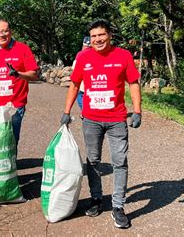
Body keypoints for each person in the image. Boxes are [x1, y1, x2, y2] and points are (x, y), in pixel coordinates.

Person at [61, 19, 142, 228]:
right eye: (94, 36)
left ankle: (118, 206)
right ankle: (96, 199)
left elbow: (133, 83)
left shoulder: (123, 56)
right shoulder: (83, 57)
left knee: (119, 162)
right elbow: (75, 84)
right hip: (91, 120)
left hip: (116, 120)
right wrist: (66, 111)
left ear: (109, 36)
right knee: (94, 160)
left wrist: (138, 111)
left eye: (101, 35)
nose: (97, 39)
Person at [0, 18, 39, 148]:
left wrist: (18, 74)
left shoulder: (22, 49)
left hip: (15, 106)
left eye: (5, 31)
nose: (1, 35)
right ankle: (0, 166)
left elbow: (34, 75)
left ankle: (11, 166)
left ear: (10, 32)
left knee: (11, 140)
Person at [72, 36, 90, 110]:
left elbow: (74, 69)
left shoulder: (80, 54)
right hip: (92, 84)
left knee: (80, 97)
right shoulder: (96, 53)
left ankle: (84, 112)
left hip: (82, 84)